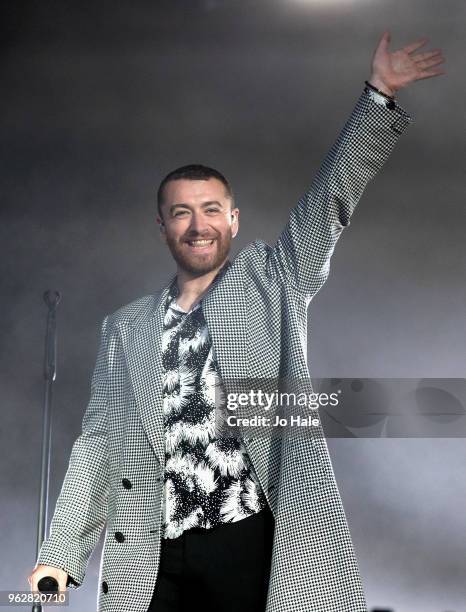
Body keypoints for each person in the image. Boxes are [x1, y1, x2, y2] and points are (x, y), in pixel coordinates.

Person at [28, 31, 445, 612]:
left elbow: (330, 200)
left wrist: (377, 96)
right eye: (181, 212)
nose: (198, 225)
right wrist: (62, 553)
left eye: (210, 210)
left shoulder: (273, 279)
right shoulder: (124, 329)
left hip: (248, 537)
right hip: (153, 548)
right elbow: (99, 442)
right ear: (163, 226)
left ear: (233, 219)